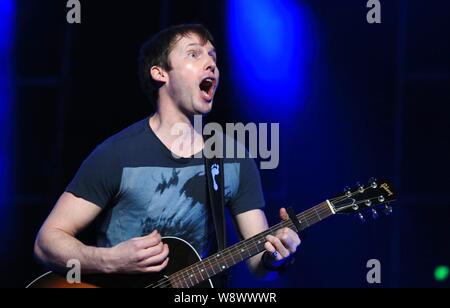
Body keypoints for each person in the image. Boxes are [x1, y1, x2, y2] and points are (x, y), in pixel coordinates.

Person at [33, 24, 301, 287]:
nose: (210, 64)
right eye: (194, 54)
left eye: (213, 57)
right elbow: (46, 243)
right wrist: (110, 260)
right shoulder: (116, 154)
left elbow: (259, 265)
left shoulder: (233, 158)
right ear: (160, 73)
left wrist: (276, 256)